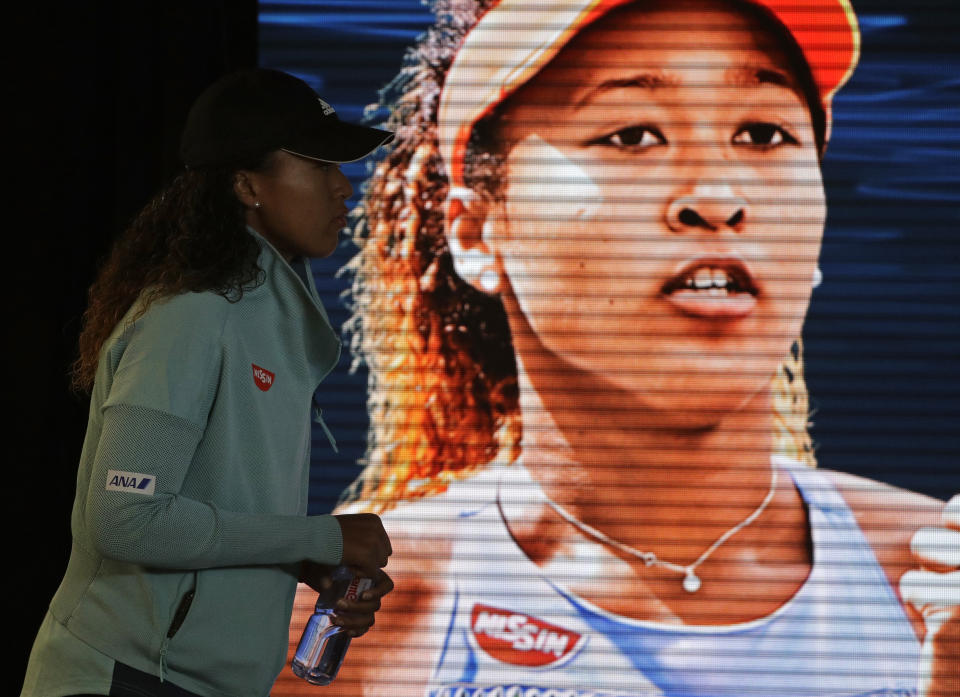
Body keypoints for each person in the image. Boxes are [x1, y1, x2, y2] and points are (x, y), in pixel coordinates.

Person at [274, 1, 960, 696]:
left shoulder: (934, 579)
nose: (718, 197)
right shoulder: (340, 614)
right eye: (632, 134)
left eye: (762, 131)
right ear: (478, 233)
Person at [20, 69, 396, 697]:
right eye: (319, 165)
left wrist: (309, 564)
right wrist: (321, 535)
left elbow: (211, 512)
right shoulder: (189, 317)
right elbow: (123, 520)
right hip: (123, 676)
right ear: (247, 184)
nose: (343, 189)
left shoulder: (261, 320)